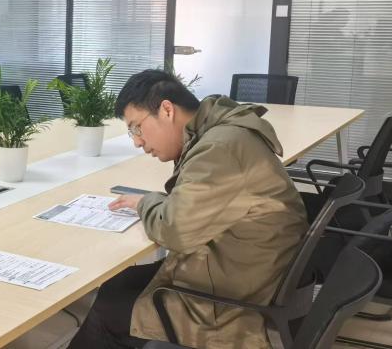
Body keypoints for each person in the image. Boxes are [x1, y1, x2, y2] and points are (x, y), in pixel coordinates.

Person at [68, 69, 307, 349]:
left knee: (109, 312)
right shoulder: (220, 134)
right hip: (245, 272)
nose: (137, 142)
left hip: (233, 304)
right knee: (118, 284)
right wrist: (156, 203)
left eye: (137, 128)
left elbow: (175, 231)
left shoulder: (219, 149)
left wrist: (146, 202)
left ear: (167, 110)